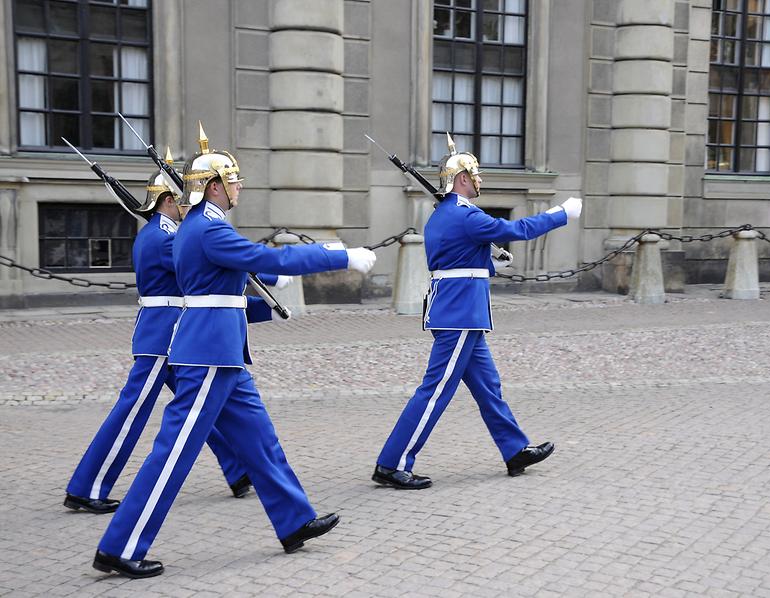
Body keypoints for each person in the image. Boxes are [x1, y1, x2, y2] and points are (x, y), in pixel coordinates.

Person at [93, 126, 376, 578]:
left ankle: (294, 520)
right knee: (174, 452)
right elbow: (273, 259)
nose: (239, 187)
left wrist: (265, 302)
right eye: (234, 180)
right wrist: (338, 256)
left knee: (260, 443)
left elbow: (225, 292)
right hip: (207, 353)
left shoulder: (202, 226)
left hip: (222, 351)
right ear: (214, 186)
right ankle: (121, 545)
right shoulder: (206, 228)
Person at [372, 134, 582, 490]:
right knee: (435, 390)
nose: (481, 180)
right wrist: (559, 214)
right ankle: (392, 463)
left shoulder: (443, 215)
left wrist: (489, 259)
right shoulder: (467, 216)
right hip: (460, 314)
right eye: (477, 174)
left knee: (488, 387)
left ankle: (514, 450)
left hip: (458, 309)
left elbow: (458, 258)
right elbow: (518, 229)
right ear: (463, 178)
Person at [64, 170, 270, 515]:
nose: (189, 205)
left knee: (201, 408)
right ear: (169, 201)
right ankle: (87, 486)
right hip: (164, 335)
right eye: (183, 200)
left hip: (172, 334)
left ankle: (238, 470)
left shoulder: (161, 233)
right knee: (131, 413)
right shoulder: (165, 238)